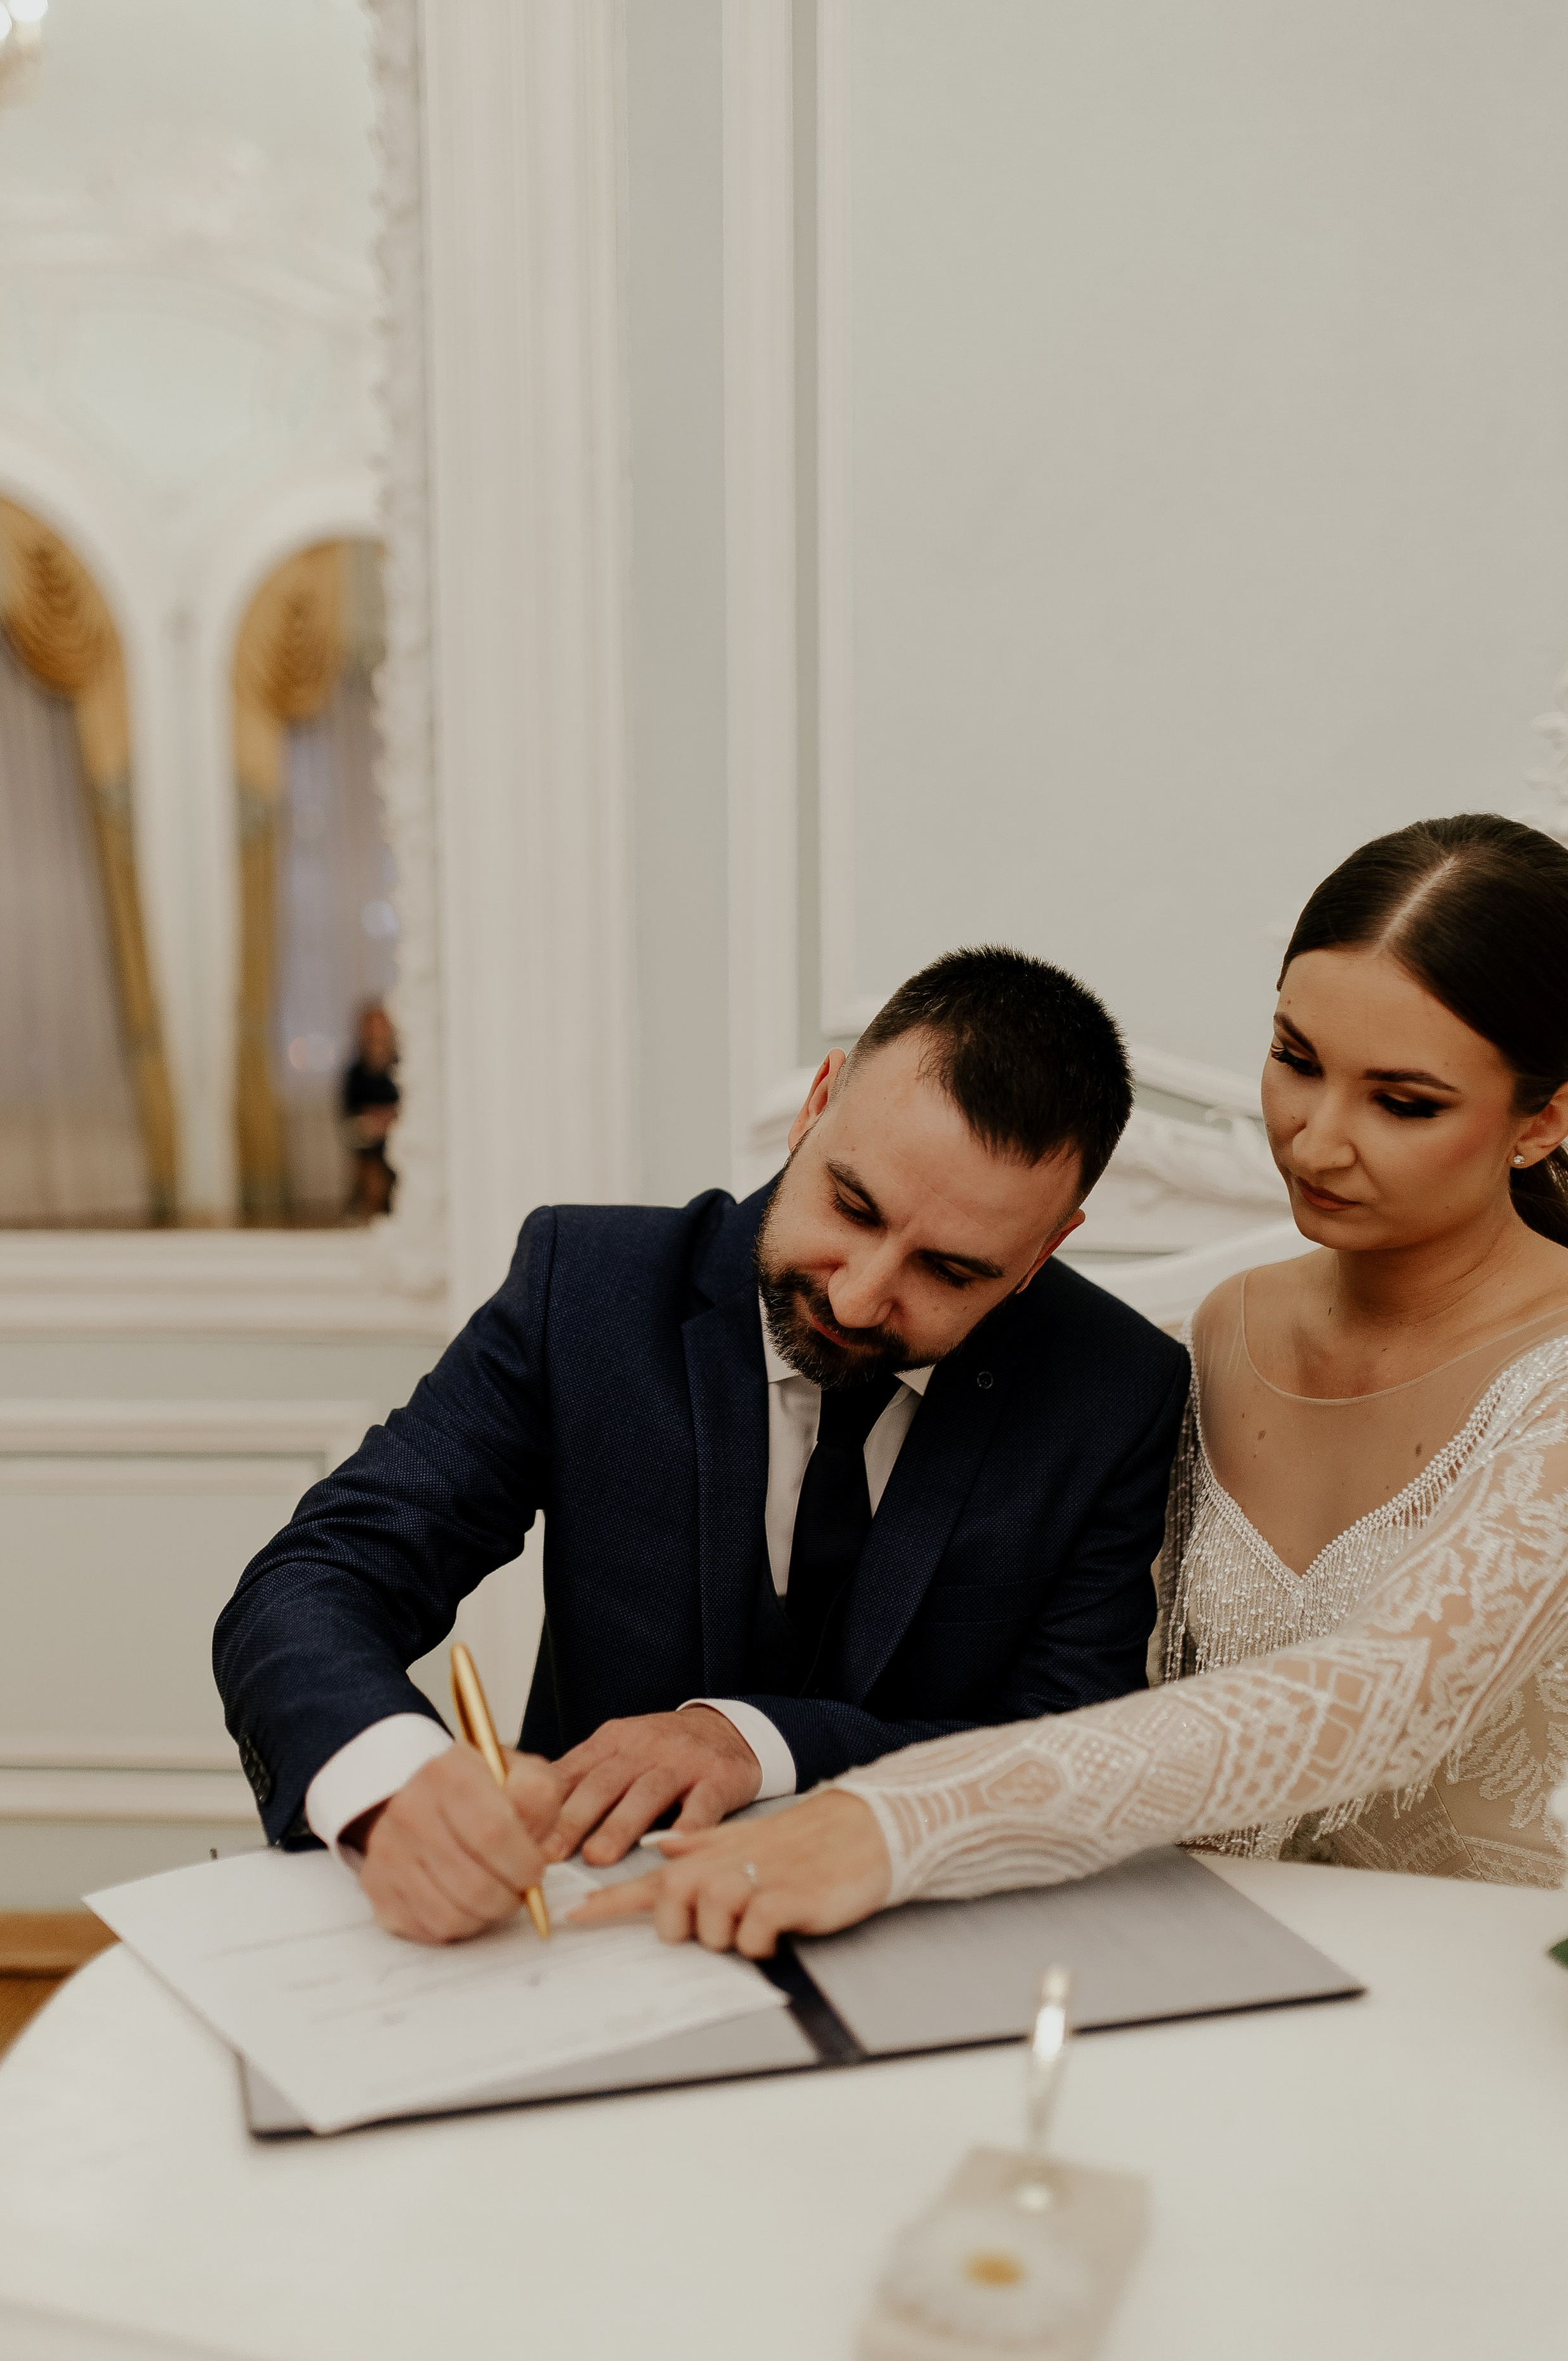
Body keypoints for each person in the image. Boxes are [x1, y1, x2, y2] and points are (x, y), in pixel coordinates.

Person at [576, 815, 1568, 1957]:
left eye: (1402, 1103)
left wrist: (899, 1823)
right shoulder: (1224, 1326)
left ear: (1538, 1121)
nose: (1313, 1141)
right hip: (1190, 1959)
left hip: (1477, 1986)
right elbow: (1101, 1685)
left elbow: (1378, 1698)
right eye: (1296, 1059)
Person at [214, 948, 1189, 1943]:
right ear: (818, 1104)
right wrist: (391, 1785)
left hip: (928, 1941)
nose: (857, 1295)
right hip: (586, 1930)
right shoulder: (585, 1290)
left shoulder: (1115, 1390)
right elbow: (316, 1581)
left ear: (1040, 1254)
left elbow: (1070, 1746)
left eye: (949, 1270)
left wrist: (753, 1742)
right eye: (853, 1206)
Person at [341, 1001, 400, 1220]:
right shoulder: (356, 1073)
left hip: (400, 1140)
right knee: (372, 1171)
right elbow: (351, 1116)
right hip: (371, 1144)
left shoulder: (402, 1068)